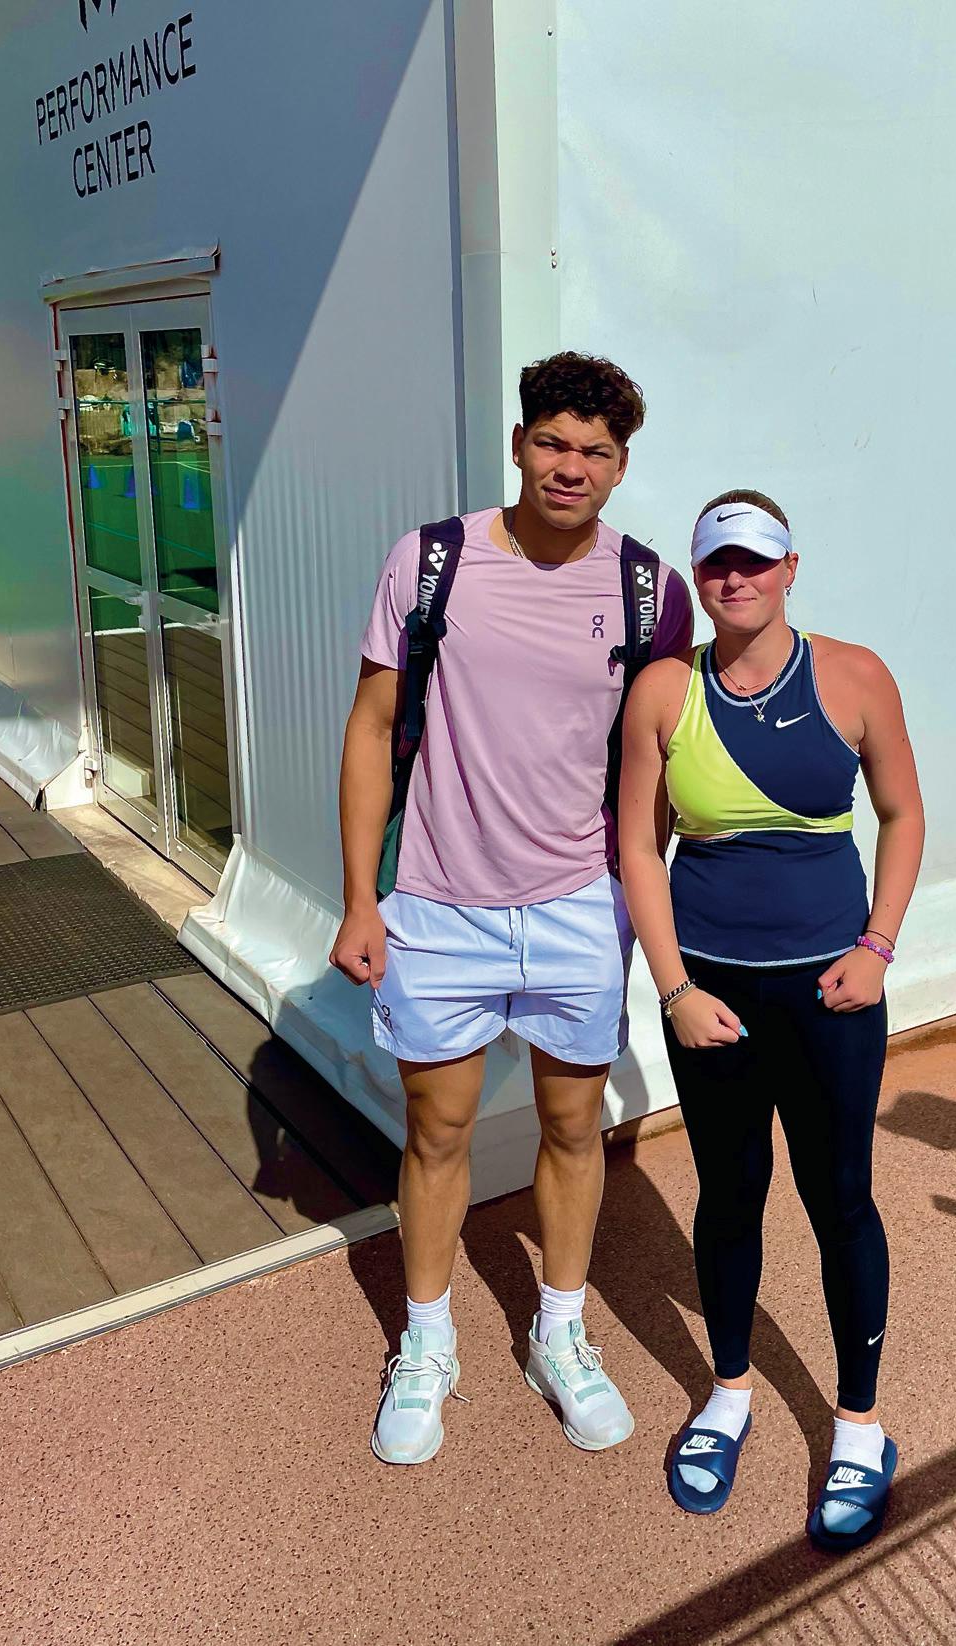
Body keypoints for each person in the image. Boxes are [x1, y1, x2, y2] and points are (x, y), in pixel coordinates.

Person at [330, 353, 693, 1465]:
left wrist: (637, 902)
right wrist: (359, 898)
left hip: (578, 907)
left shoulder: (650, 589)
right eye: (552, 443)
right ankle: (426, 1342)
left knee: (575, 1129)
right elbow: (370, 729)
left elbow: (658, 762)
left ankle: (559, 1333)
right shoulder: (430, 561)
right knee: (437, 1132)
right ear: (519, 444)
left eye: (594, 452)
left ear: (621, 467)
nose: (569, 467)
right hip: (438, 907)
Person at [617, 491, 924, 1551]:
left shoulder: (855, 676)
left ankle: (859, 1424)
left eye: (755, 560)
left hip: (830, 997)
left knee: (840, 1197)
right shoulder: (665, 689)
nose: (735, 578)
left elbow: (902, 813)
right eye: (717, 564)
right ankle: (730, 1390)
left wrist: (876, 947)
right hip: (713, 999)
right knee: (729, 1194)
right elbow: (637, 847)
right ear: (697, 577)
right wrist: (673, 991)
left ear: (791, 567)